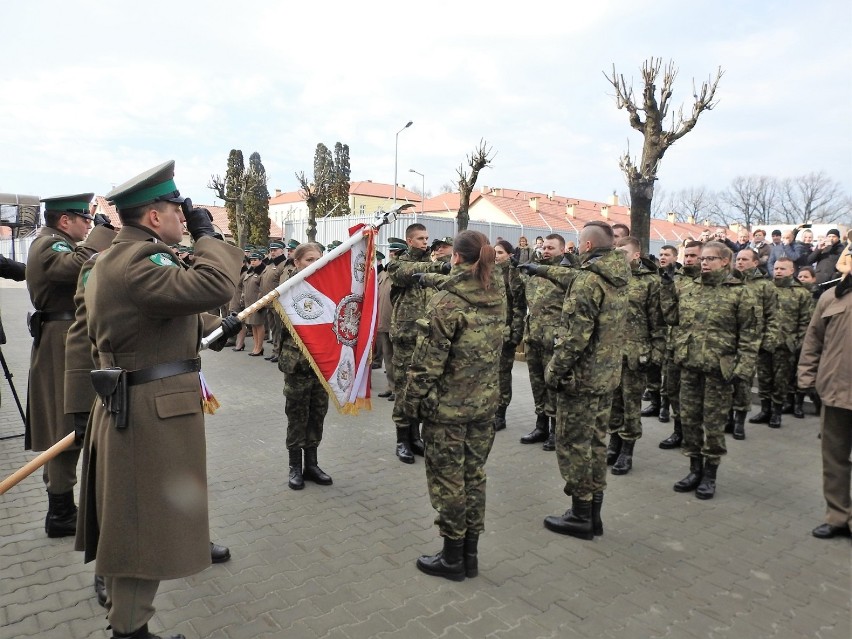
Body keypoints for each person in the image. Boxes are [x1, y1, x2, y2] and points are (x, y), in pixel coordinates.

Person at [75, 160, 244, 639]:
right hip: (150, 411)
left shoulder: (108, 260)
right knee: (140, 528)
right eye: (177, 209)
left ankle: (130, 625)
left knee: (136, 522)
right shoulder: (141, 261)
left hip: (134, 402)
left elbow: (154, 321)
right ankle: (129, 630)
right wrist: (209, 235)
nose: (183, 216)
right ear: (154, 217)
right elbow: (215, 283)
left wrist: (212, 327)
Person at [399, 230, 505, 580]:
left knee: (449, 481)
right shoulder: (495, 290)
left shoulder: (448, 303)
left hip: (448, 410)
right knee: (474, 477)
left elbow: (426, 365)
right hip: (484, 403)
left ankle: (451, 557)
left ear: (456, 258)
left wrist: (408, 407)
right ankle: (469, 556)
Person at [25, 193, 116, 538]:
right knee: (67, 427)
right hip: (62, 343)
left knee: (68, 426)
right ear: (66, 221)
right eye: (86, 220)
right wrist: (100, 237)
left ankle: (61, 508)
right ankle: (61, 512)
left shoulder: (52, 242)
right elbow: (75, 267)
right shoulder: (51, 245)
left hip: (62, 338)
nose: (89, 226)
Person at [540, 221, 629, 539]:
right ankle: (592, 515)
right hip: (605, 376)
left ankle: (580, 516)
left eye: (579, 242)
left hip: (581, 379)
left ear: (588, 247)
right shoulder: (617, 276)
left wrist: (554, 371)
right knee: (594, 444)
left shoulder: (589, 281)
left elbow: (574, 337)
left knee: (574, 445)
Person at [660, 241, 760, 500]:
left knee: (713, 424)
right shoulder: (688, 288)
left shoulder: (740, 293)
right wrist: (667, 286)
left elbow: (750, 336)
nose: (703, 262)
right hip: (689, 366)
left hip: (719, 370)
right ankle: (694, 469)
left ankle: (710, 474)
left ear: (725, 262)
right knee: (689, 419)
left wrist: (743, 369)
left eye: (710, 259)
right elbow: (671, 317)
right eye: (702, 258)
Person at [386, 223, 449, 463]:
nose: (425, 242)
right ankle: (402, 439)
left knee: (422, 390)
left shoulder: (434, 264)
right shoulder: (397, 264)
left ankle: (415, 437)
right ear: (409, 241)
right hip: (405, 337)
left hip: (427, 338)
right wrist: (440, 265)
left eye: (427, 238)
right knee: (404, 389)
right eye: (420, 238)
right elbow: (410, 273)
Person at [798, 271, 852, 540]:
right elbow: (813, 340)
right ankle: (838, 516)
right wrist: (806, 375)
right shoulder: (831, 297)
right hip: (835, 392)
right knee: (834, 460)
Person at [278, 242, 334, 491]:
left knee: (317, 414)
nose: (315, 263)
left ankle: (312, 464)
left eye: (319, 259)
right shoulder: (286, 290)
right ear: (296, 262)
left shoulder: (327, 287)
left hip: (322, 364)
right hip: (297, 364)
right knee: (297, 416)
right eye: (309, 259)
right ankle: (294, 467)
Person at [607, 236, 664, 476]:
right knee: (612, 403)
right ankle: (614, 443)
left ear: (636, 256)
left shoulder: (651, 282)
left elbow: (658, 321)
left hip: (635, 354)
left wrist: (657, 352)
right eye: (616, 251)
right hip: (609, 353)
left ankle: (627, 450)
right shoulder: (610, 279)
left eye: (623, 252)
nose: (618, 255)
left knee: (631, 404)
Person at [517, 233, 568, 449]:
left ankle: (556, 430)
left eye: (551, 248)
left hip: (554, 341)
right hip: (533, 338)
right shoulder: (534, 273)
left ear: (562, 251)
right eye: (544, 247)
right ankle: (541, 426)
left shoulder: (567, 275)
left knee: (553, 385)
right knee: (537, 384)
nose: (546, 251)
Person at [753, 257, 813, 428]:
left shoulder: (801, 293)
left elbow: (805, 321)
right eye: (776, 268)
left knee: (781, 381)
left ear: (792, 271)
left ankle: (777, 413)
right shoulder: (765, 288)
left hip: (785, 345)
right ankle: (765, 410)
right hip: (765, 343)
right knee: (764, 379)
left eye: (783, 269)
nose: (778, 271)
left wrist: (797, 342)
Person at [658, 241, 703, 449]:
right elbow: (670, 315)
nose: (689, 259)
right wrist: (666, 287)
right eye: (687, 256)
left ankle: (695, 436)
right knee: (672, 390)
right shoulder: (677, 280)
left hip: (700, 350)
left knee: (694, 397)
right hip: (676, 345)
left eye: (694, 255)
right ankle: (679, 432)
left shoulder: (711, 283)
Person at [732, 248, 778, 440]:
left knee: (743, 383)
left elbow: (774, 317)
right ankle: (726, 419)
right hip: (726, 340)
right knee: (725, 383)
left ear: (755, 262)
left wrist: (768, 342)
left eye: (744, 259)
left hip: (751, 343)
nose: (740, 262)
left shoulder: (765, 286)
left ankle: (739, 423)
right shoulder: (729, 282)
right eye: (738, 259)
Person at [493, 240, 527, 431]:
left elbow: (519, 306)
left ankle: (501, 413)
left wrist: (515, 332)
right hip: (489, 332)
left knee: (502, 374)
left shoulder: (513, 274)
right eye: (494, 252)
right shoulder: (490, 272)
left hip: (506, 332)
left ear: (509, 255)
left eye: (500, 252)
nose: (496, 256)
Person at [376, 240, 406, 400]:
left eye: (396, 252)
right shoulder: (385, 272)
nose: (393, 255)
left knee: (398, 358)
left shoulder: (401, 273)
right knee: (388, 357)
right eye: (392, 252)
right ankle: (391, 386)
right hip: (384, 322)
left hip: (397, 323)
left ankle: (399, 389)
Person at [263, 241, 287, 363]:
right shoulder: (270, 264)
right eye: (271, 250)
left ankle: (279, 352)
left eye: (275, 250)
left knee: (279, 329)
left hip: (277, 303)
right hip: (268, 302)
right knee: (273, 329)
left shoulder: (283, 264)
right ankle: (275, 350)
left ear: (282, 251)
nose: (272, 252)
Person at [242, 251, 267, 356]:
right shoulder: (250, 271)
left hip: (257, 303)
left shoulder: (262, 272)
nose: (252, 262)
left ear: (260, 261)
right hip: (249, 303)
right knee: (253, 325)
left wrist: (260, 304)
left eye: (255, 260)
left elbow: (263, 289)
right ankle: (256, 346)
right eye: (251, 260)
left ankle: (259, 347)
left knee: (259, 325)